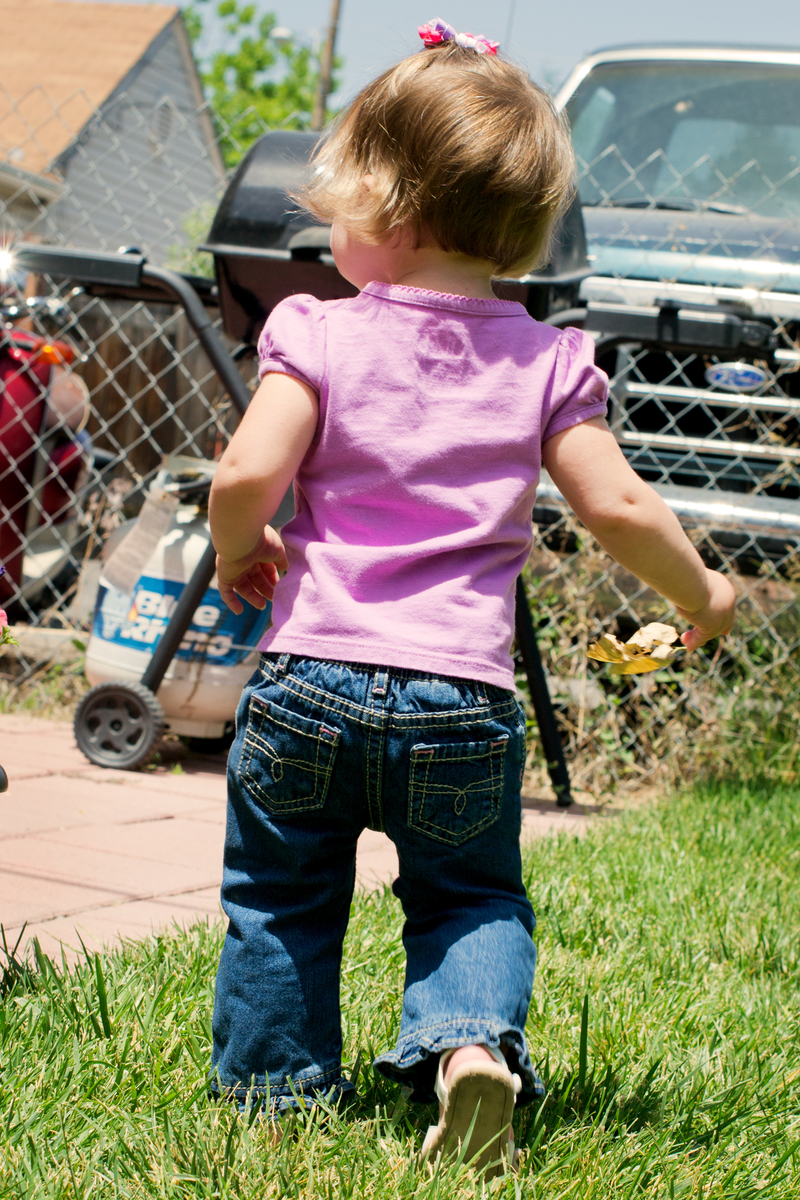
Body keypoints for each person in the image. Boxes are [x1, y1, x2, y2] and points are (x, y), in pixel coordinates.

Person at [207, 17, 736, 1175]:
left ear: (386, 209)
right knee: (468, 898)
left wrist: (240, 546)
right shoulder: (548, 362)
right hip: (458, 697)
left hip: (309, 683)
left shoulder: (318, 333)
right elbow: (616, 510)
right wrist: (702, 595)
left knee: (281, 894)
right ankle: (467, 1051)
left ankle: (272, 1105)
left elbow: (248, 470)